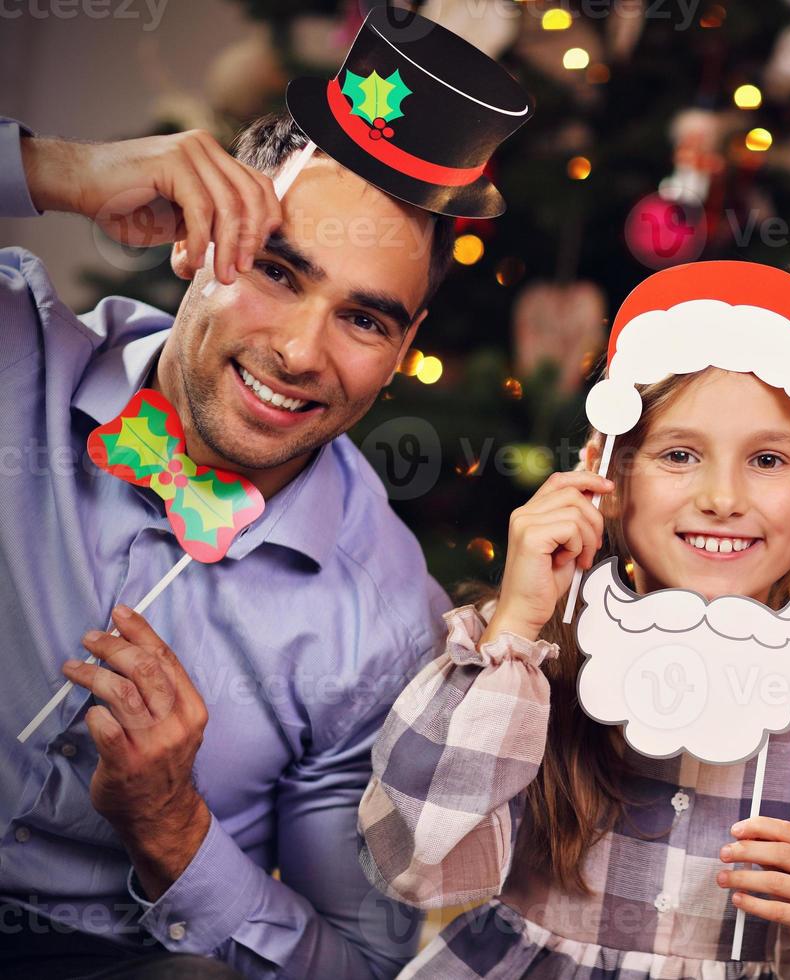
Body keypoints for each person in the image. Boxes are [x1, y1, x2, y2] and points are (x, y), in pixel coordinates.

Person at [0, 10, 532, 977]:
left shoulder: (382, 625)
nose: (297, 351)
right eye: (278, 270)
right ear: (193, 243)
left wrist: (176, 835)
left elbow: (359, 965)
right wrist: (58, 170)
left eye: (363, 319)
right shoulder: (14, 355)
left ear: (402, 355)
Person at [358, 262, 790, 978]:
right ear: (606, 475)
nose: (722, 497)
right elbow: (411, 863)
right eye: (680, 455)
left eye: (767, 459)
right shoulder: (517, 654)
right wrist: (517, 624)